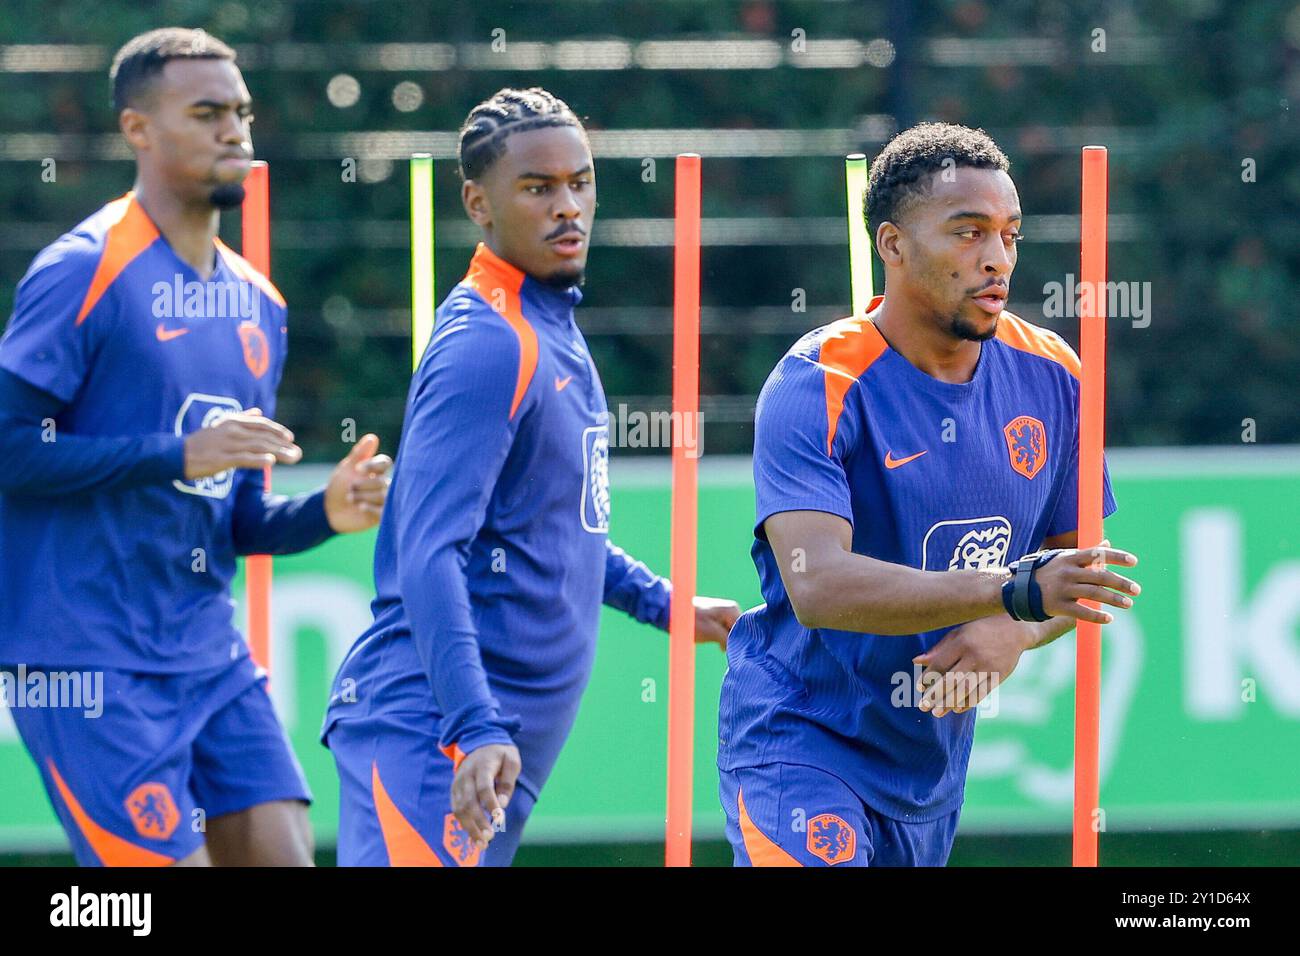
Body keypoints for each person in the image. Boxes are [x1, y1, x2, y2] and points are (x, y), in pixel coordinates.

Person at [0, 27, 391, 866]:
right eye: (208, 112)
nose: (235, 133)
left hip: (209, 658)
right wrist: (176, 455)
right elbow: (9, 452)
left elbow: (237, 521)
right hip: (85, 662)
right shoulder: (82, 271)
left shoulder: (260, 306)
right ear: (137, 128)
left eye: (242, 113)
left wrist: (323, 513)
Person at [322, 87, 740, 867]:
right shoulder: (488, 343)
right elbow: (426, 551)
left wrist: (666, 606)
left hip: (486, 742)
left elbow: (556, 523)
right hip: (436, 732)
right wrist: (474, 726)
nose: (568, 206)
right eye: (538, 187)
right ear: (478, 203)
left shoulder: (552, 324)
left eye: (580, 182)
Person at [716, 123, 1142, 867]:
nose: (997, 258)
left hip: (927, 773)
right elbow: (818, 586)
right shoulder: (818, 380)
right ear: (892, 245)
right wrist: (1009, 594)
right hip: (799, 736)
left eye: (1010, 234)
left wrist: (1015, 629)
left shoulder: (1056, 374)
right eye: (968, 232)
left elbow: (1073, 575)